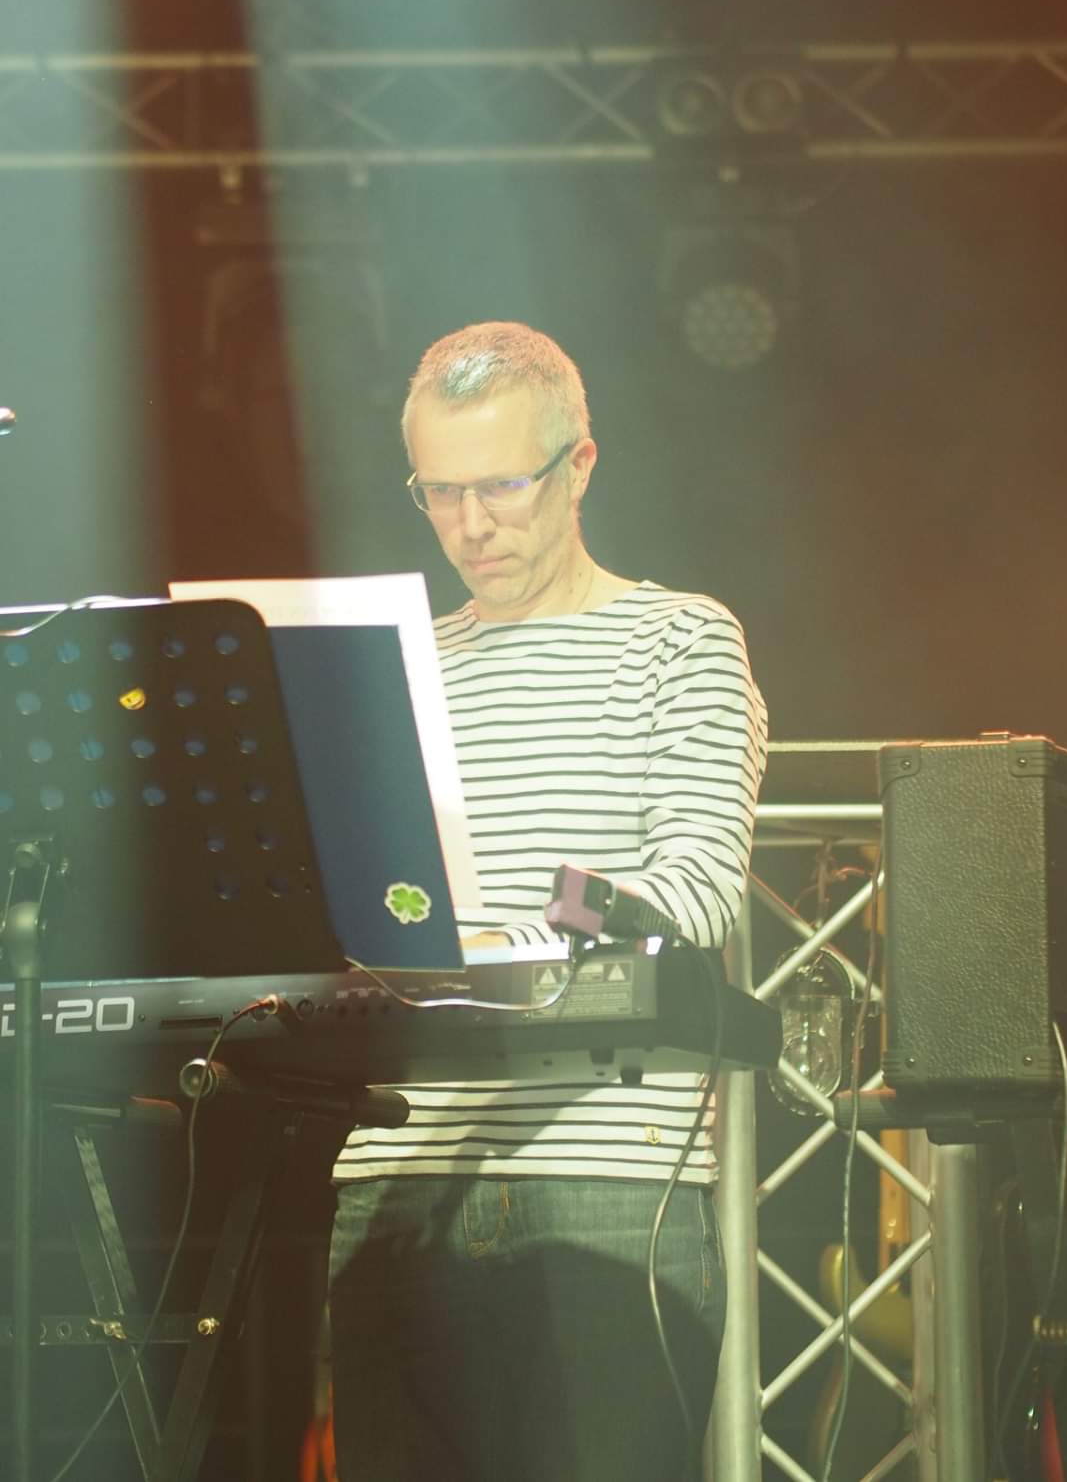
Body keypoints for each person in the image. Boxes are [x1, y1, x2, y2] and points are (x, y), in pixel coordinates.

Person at [327, 321, 768, 1482]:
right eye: (440, 492)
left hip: (602, 1176)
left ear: (579, 466)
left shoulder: (679, 640)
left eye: (502, 487)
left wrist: (519, 932)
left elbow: (698, 887)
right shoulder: (399, 669)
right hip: (394, 1173)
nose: (470, 524)